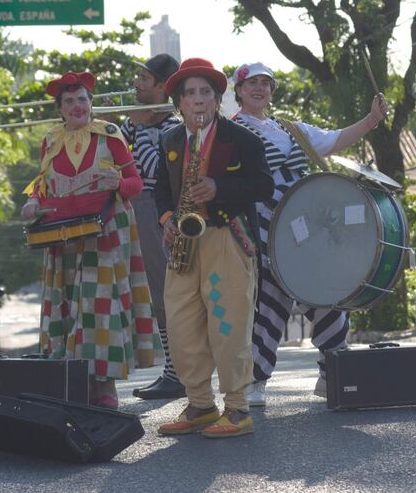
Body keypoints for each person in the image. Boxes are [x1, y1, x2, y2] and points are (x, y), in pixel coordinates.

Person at [230, 62, 389, 407]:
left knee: (328, 295)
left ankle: (332, 371)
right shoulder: (230, 132)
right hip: (262, 229)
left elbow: (334, 140)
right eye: (252, 83)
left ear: (272, 91)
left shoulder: (291, 129)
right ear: (239, 91)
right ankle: (255, 380)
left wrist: (371, 119)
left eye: (265, 83)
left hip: (309, 230)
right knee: (268, 305)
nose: (259, 89)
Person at [21, 71, 162, 410]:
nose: (77, 106)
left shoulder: (109, 135)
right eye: (69, 101)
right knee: (69, 307)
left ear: (91, 103)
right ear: (60, 108)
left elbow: (135, 184)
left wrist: (118, 182)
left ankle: (105, 386)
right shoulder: (50, 140)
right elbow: (42, 185)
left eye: (82, 99)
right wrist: (32, 203)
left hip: (106, 235)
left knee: (100, 308)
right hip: (63, 237)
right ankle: (76, 384)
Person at [154, 58, 273, 438]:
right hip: (185, 243)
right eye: (190, 93)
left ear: (218, 98)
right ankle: (200, 404)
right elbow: (160, 189)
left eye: (206, 92)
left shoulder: (243, 139)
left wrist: (220, 187)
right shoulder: (170, 139)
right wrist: (167, 219)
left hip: (227, 237)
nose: (199, 100)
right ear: (179, 103)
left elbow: (264, 186)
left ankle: (237, 408)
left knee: (229, 324)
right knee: (182, 325)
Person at [120, 54, 187, 400]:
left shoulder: (171, 126)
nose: (136, 84)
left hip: (156, 210)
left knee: (164, 293)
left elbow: (153, 169)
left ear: (163, 87)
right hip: (138, 210)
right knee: (156, 293)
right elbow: (119, 158)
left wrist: (142, 128)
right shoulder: (136, 124)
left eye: (144, 79)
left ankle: (177, 373)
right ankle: (174, 371)